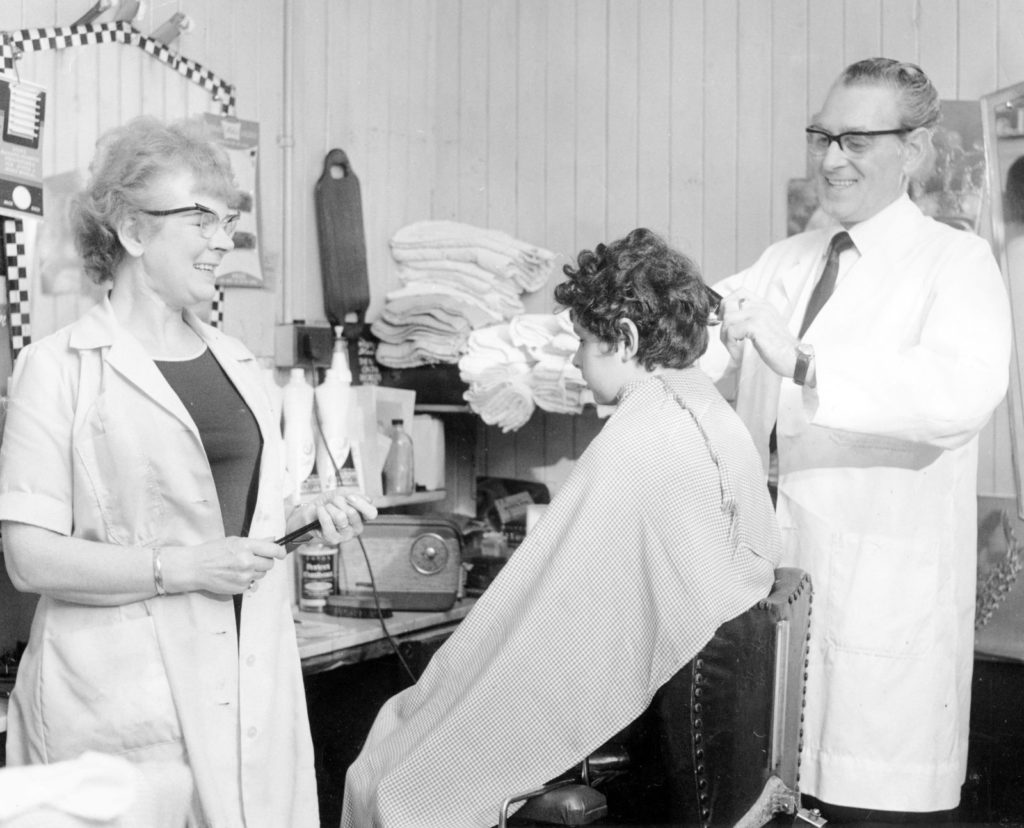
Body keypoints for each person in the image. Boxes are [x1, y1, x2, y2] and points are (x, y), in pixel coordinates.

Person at [0, 115, 377, 828]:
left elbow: (235, 521)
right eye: (201, 219)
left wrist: (305, 521)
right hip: (121, 698)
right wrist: (184, 568)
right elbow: (28, 557)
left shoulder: (236, 362)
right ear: (134, 232)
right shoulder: (57, 368)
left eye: (227, 219)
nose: (223, 238)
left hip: (248, 679)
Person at [341, 227, 781, 827]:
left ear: (623, 339)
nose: (574, 361)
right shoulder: (705, 412)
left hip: (652, 725)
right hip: (701, 722)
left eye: (582, 342)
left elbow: (551, 622)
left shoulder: (640, 437)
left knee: (390, 774)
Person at [701, 58, 1012, 822]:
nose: (831, 159)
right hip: (776, 599)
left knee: (866, 807)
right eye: (822, 136)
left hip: (886, 619)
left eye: (857, 141)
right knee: (769, 791)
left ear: (914, 151)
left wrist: (805, 361)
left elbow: (960, 395)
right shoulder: (790, 260)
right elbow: (704, 339)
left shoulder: (957, 264)